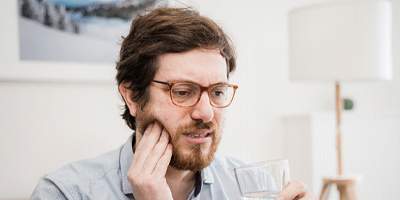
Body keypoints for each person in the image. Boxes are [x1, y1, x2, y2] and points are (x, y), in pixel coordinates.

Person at [31, 7, 317, 200]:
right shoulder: (66, 193)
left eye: (217, 92)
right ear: (132, 96)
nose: (206, 112)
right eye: (182, 91)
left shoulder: (255, 188)